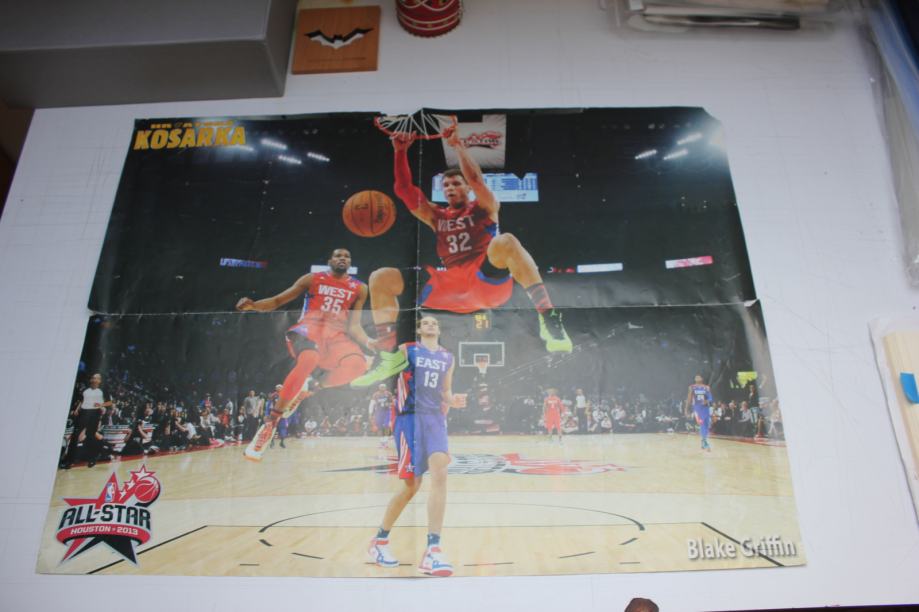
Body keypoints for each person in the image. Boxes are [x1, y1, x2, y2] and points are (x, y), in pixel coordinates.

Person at [352, 126, 572, 387]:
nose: (450, 187)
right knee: (381, 277)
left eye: (456, 183)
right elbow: (403, 189)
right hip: (451, 287)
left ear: (467, 187)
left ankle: (549, 318)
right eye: (446, 185)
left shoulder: (485, 206)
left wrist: (457, 145)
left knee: (506, 241)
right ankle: (389, 356)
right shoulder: (436, 216)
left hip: (484, 280)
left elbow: (477, 179)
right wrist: (399, 151)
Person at [236, 248, 374, 460]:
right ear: (330, 260)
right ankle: (271, 423)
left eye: (347, 256)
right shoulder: (313, 278)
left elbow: (354, 325)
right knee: (310, 358)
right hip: (309, 330)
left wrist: (369, 342)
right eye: (338, 256)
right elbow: (277, 301)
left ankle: (311, 387)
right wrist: (253, 306)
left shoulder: (360, 288)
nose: (342, 258)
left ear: (350, 262)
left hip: (335, 337)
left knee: (358, 365)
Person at [367, 315, 455, 577]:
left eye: (434, 322)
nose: (430, 324)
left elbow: (446, 391)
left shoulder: (448, 357)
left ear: (439, 329)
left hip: (435, 419)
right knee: (411, 486)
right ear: (419, 329)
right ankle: (380, 540)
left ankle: (433, 549)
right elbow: (384, 368)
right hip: (408, 419)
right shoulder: (407, 350)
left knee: (440, 474)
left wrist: (454, 400)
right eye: (425, 322)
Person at [60, 373, 112, 469]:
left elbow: (109, 402)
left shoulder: (103, 390)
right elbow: (81, 400)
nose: (94, 380)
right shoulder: (85, 390)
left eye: (96, 378)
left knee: (90, 437)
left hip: (95, 414)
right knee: (75, 436)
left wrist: (101, 406)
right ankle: (69, 461)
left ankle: (92, 458)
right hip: (83, 413)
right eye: (93, 378)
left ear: (100, 381)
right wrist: (76, 409)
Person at [686, 375, 713, 451]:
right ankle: (705, 442)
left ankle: (703, 441)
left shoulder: (706, 387)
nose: (697, 377)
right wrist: (686, 409)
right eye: (696, 377)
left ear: (702, 379)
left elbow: (710, 398)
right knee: (702, 422)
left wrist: (706, 401)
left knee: (706, 424)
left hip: (705, 408)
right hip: (697, 408)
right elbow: (689, 399)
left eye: (699, 376)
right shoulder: (691, 387)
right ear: (694, 379)